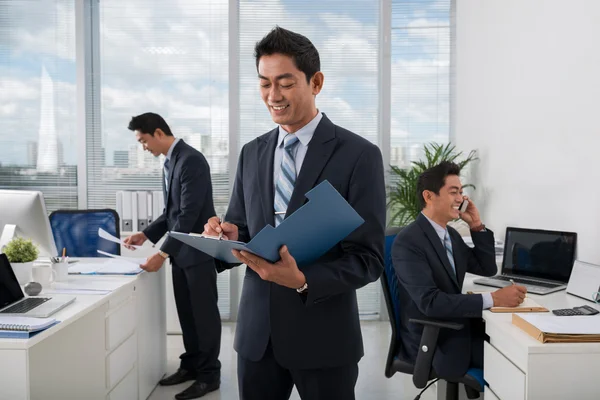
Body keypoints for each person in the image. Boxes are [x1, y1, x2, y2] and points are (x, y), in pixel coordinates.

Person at [203, 27, 386, 400]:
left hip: (324, 337)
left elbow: (368, 259)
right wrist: (227, 235)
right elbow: (241, 224)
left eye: (285, 83)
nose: (273, 96)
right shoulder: (252, 153)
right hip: (257, 337)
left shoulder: (358, 156)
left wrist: (303, 280)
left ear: (315, 82)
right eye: (265, 83)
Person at [392, 161, 527, 380]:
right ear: (429, 196)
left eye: (461, 193)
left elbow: (487, 268)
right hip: (436, 339)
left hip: (457, 326)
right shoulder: (408, 242)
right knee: (514, 362)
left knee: (515, 348)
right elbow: (430, 302)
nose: (461, 199)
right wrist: (493, 298)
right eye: (453, 192)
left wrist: (477, 225)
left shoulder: (451, 236)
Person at [123, 112, 221, 400]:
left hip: (197, 253)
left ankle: (209, 376)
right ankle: (191, 366)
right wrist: (146, 234)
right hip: (182, 254)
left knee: (204, 318)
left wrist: (162, 253)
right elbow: (172, 212)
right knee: (188, 316)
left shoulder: (191, 160)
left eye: (143, 141)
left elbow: (189, 215)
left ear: (157, 132)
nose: (144, 147)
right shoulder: (170, 162)